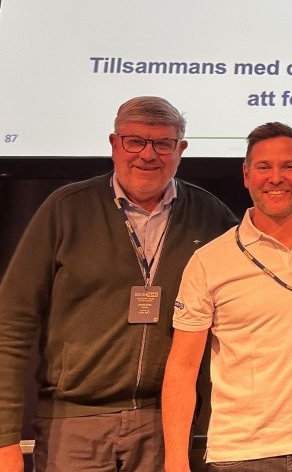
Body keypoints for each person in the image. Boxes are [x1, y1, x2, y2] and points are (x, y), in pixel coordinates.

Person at [0, 96, 236, 472]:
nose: (148, 154)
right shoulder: (66, 208)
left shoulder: (209, 215)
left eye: (163, 143)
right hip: (74, 424)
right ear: (114, 144)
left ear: (181, 150)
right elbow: (10, 325)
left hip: (166, 425)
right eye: (135, 141)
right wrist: (4, 440)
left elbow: (261, 264)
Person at [162, 122, 292, 471]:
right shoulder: (209, 261)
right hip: (243, 453)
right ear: (246, 175)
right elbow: (183, 367)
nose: (276, 178)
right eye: (264, 167)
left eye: (288, 166)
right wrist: (176, 460)